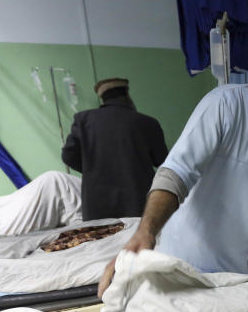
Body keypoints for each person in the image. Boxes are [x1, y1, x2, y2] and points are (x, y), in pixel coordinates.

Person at [97, 32, 248, 297]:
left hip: (242, 281)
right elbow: (176, 173)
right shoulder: (226, 105)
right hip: (187, 273)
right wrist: (145, 233)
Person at [61, 77, 168, 221]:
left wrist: (93, 169)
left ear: (103, 98)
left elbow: (68, 156)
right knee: (140, 242)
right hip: (138, 203)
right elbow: (163, 162)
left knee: (102, 241)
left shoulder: (83, 120)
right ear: (127, 95)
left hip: (97, 206)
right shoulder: (148, 123)